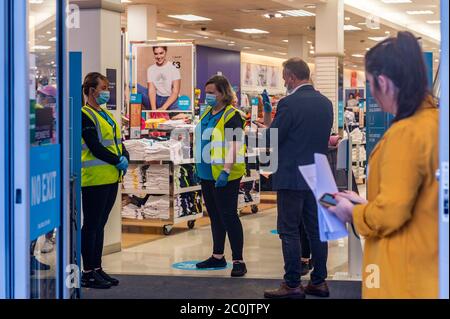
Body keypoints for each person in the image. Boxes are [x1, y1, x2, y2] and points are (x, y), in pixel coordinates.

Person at [329, 31, 439, 299]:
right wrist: (365, 204)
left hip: (403, 277)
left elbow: (390, 213)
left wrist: (353, 213)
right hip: (429, 267)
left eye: (369, 83)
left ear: (383, 82)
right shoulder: (436, 123)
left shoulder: (405, 134)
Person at [257, 58, 334, 299]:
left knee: (289, 230)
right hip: (319, 173)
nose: (283, 81)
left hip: (293, 175)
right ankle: (319, 282)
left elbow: (273, 139)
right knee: (317, 231)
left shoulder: (289, 103)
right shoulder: (326, 103)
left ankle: (292, 285)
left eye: (284, 76)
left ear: (291, 77)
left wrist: (266, 125)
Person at [194, 75, 248, 277]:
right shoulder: (207, 113)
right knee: (215, 216)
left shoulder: (232, 115)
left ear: (223, 93)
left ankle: (238, 260)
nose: (207, 96)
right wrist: (197, 166)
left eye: (211, 93)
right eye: (206, 92)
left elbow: (234, 145)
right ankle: (217, 257)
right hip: (206, 173)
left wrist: (226, 170)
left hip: (224, 174)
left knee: (229, 216)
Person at [81, 72, 130, 289]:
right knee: (91, 226)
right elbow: (95, 146)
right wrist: (116, 160)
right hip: (94, 179)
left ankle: (98, 267)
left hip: (111, 177)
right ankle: (88, 271)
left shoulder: (106, 114)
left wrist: (125, 157)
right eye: (103, 87)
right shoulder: (84, 114)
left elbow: (117, 141)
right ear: (91, 91)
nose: (106, 92)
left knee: (100, 225)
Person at [147, 46, 181, 112]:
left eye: (161, 53)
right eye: (156, 54)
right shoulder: (150, 69)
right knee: (138, 88)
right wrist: (153, 110)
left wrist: (163, 108)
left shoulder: (174, 67)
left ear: (165, 52)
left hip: (170, 98)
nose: (159, 57)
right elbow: (151, 91)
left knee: (180, 113)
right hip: (157, 98)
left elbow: (175, 91)